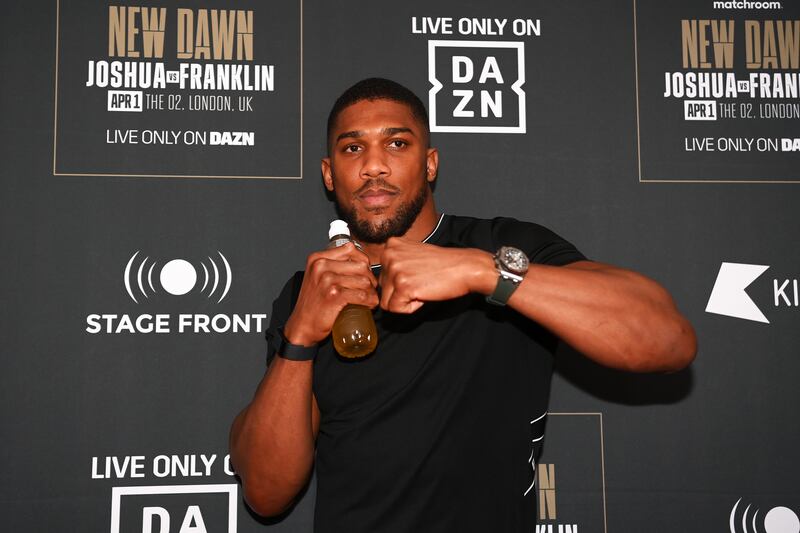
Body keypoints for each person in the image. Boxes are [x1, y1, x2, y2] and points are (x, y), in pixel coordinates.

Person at [230, 78, 696, 532]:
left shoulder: (503, 246)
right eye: (353, 148)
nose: (374, 166)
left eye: (396, 144)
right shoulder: (308, 290)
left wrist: (481, 272)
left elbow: (667, 340)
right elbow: (267, 493)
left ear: (430, 163)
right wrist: (299, 337)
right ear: (329, 174)